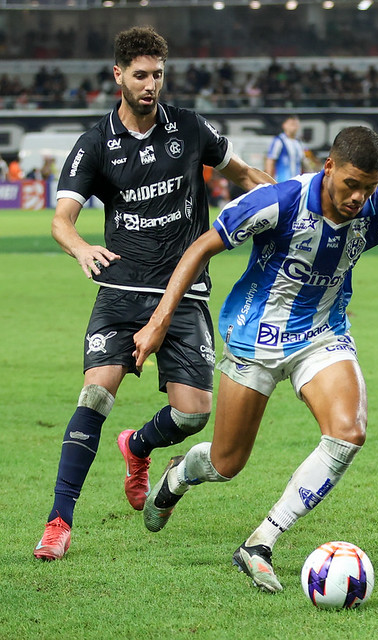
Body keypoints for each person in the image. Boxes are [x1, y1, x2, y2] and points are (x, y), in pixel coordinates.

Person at [132, 126, 378, 592]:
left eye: (370, 186)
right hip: (254, 338)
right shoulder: (278, 202)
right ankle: (180, 474)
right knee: (226, 464)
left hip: (323, 334)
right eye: (351, 184)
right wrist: (161, 320)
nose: (359, 197)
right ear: (328, 168)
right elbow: (202, 246)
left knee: (348, 433)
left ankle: (260, 542)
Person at [33, 26, 272, 561]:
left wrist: (287, 195)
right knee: (95, 395)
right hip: (120, 290)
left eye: (158, 75)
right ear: (118, 75)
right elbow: (61, 220)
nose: (151, 85)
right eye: (140, 75)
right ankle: (58, 521)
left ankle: (138, 445)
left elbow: (241, 173)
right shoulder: (95, 143)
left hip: (183, 294)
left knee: (194, 414)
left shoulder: (189, 128)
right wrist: (80, 248)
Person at [264, 115, 308, 182]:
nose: (294, 127)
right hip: (282, 182)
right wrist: (269, 180)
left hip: (297, 182)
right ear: (284, 125)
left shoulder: (299, 143)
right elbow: (270, 160)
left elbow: (302, 163)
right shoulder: (279, 141)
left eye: (296, 124)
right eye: (292, 124)